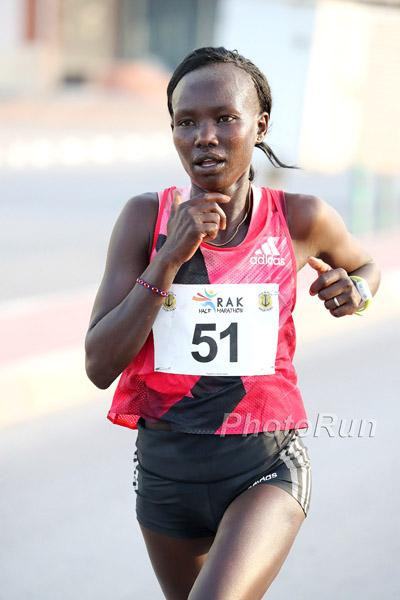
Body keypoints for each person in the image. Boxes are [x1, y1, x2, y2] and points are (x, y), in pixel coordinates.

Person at [84, 47, 380, 599]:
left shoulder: (300, 217)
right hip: (167, 473)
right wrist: (167, 258)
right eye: (187, 122)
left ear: (259, 125)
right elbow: (100, 365)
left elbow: (365, 267)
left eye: (225, 118)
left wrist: (355, 292)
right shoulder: (145, 218)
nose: (205, 137)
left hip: (264, 467)